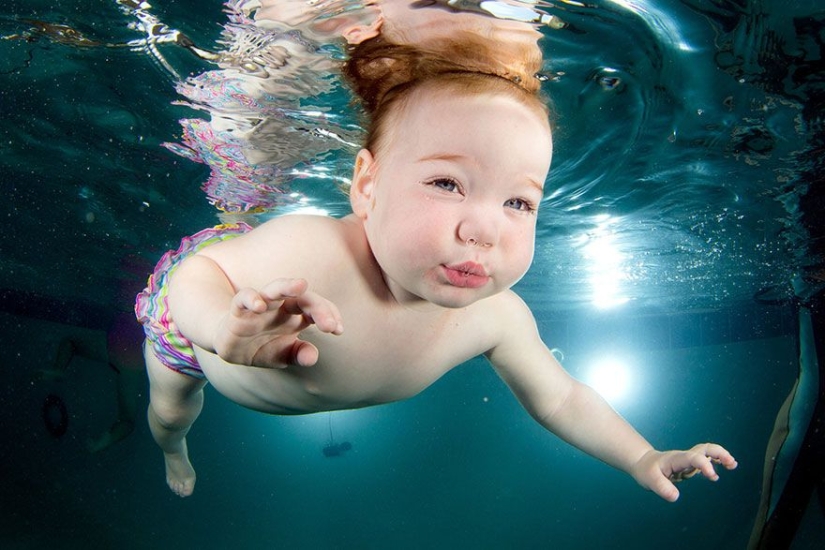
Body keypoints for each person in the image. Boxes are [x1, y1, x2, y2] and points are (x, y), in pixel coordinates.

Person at [136, 66, 737, 498]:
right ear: (368, 187)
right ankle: (171, 447)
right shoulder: (311, 250)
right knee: (172, 407)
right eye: (448, 183)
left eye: (520, 203)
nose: (484, 230)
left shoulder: (494, 316)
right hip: (203, 318)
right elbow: (196, 275)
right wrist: (219, 325)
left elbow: (561, 397)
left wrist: (641, 455)